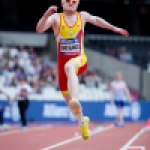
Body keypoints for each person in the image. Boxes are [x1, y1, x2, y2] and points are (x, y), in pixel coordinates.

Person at [36, 0, 129, 140]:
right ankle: (82, 123)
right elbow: (39, 29)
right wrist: (46, 15)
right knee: (71, 105)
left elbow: (97, 20)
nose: (71, 3)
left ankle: (75, 98)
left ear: (78, 3)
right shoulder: (56, 18)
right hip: (63, 70)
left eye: (74, 1)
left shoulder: (82, 16)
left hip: (80, 61)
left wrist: (114, 28)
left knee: (70, 67)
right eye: (68, 1)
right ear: (62, 3)